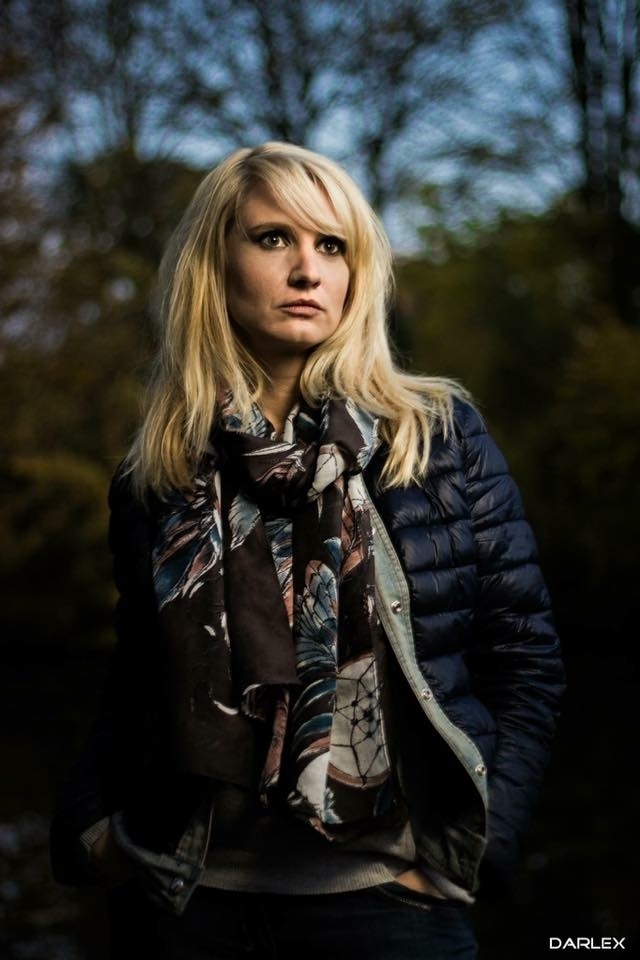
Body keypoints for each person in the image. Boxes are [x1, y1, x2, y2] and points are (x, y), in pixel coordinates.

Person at [50, 142, 565, 959]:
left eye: (332, 246)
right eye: (272, 238)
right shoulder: (161, 471)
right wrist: (92, 832)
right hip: (186, 907)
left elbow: (525, 656)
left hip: (389, 907)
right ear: (214, 263)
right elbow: (134, 682)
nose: (307, 271)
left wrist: (480, 847)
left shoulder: (436, 440)